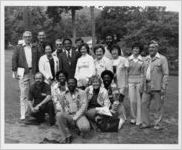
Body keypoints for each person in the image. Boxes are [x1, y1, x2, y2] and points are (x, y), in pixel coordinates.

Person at [140, 41, 169, 130]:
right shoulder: (146, 59)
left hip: (157, 87)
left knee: (158, 107)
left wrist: (163, 87)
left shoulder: (162, 59)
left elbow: (166, 74)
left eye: (153, 47)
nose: (151, 49)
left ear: (157, 48)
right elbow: (142, 73)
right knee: (144, 105)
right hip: (146, 85)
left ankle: (157, 124)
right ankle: (146, 123)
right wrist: (141, 85)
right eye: (150, 47)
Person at [12, 31, 39, 121]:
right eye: (26, 37)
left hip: (33, 72)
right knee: (23, 93)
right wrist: (14, 71)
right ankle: (23, 114)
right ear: (23, 37)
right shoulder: (18, 47)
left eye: (29, 36)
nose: (28, 38)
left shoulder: (34, 47)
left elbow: (37, 60)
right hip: (22, 72)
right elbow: (14, 59)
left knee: (33, 93)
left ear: (31, 38)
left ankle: (31, 112)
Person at [56, 78, 90, 143]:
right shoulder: (62, 94)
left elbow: (84, 107)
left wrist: (75, 117)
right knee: (59, 115)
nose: (71, 85)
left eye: (73, 83)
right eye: (69, 83)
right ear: (67, 84)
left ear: (76, 84)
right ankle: (67, 135)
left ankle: (78, 127)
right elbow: (61, 106)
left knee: (85, 128)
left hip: (79, 115)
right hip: (68, 115)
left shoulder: (82, 93)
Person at [128, 43, 144, 125]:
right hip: (130, 82)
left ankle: (139, 119)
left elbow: (143, 73)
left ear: (139, 50)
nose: (136, 50)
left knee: (139, 101)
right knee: (132, 100)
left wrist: (141, 83)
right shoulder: (128, 59)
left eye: (137, 48)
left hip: (139, 82)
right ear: (132, 49)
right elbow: (126, 72)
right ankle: (133, 118)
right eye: (134, 48)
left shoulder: (142, 60)